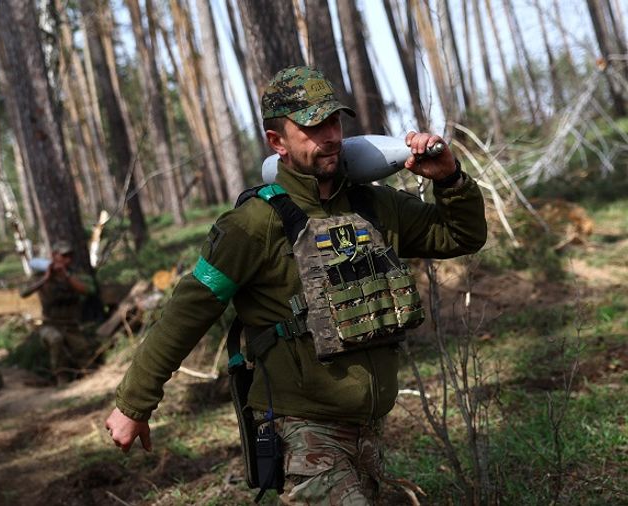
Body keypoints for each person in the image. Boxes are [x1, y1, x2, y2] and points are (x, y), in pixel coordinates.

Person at [105, 66, 487, 503]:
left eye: (333, 122)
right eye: (311, 126)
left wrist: (450, 179)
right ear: (278, 142)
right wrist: (134, 404)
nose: (329, 136)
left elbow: (461, 236)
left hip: (368, 425)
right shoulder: (253, 224)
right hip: (302, 427)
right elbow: (187, 311)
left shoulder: (374, 205)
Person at [21, 239, 97, 385]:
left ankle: (87, 376)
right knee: (55, 339)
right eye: (63, 256)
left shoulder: (75, 274)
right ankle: (61, 376)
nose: (67, 259)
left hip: (71, 325)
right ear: (54, 255)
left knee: (83, 351)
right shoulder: (41, 275)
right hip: (50, 324)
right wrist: (45, 279)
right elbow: (23, 292)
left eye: (69, 256)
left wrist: (67, 277)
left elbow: (89, 290)